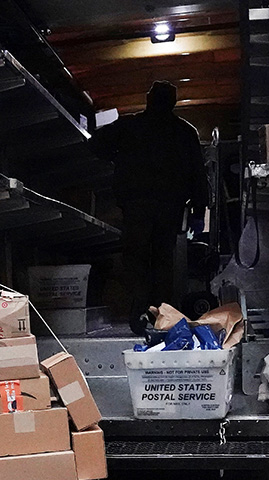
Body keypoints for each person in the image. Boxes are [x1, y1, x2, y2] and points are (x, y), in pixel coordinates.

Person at [90, 80, 208, 334]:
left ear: (148, 99)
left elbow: (96, 145)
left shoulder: (130, 126)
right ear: (173, 102)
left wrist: (118, 158)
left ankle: (139, 313)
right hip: (170, 206)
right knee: (164, 259)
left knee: (136, 259)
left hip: (136, 205)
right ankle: (162, 313)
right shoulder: (184, 131)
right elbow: (199, 173)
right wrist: (199, 209)